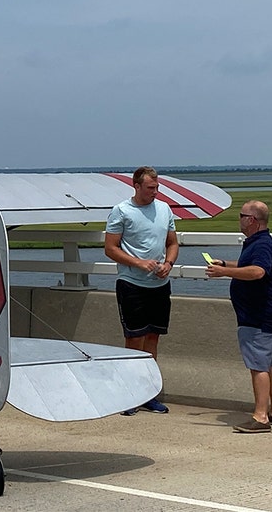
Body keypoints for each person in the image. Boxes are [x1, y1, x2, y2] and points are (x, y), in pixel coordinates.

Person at [206, 200, 272, 433]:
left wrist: (224, 272)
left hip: (257, 316)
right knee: (271, 364)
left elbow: (258, 271)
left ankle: (261, 417)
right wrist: (224, 263)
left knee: (258, 366)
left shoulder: (261, 245)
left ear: (252, 220)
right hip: (266, 314)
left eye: (241, 215)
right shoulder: (258, 242)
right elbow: (247, 264)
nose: (239, 219)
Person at [105, 166, 178, 415]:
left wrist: (168, 264)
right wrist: (139, 263)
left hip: (159, 285)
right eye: (150, 188)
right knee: (134, 339)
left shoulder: (164, 209)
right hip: (132, 283)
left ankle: (149, 393)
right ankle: (129, 396)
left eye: (157, 188)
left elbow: (172, 242)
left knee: (153, 338)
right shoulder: (122, 211)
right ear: (136, 186)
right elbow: (110, 248)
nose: (154, 192)